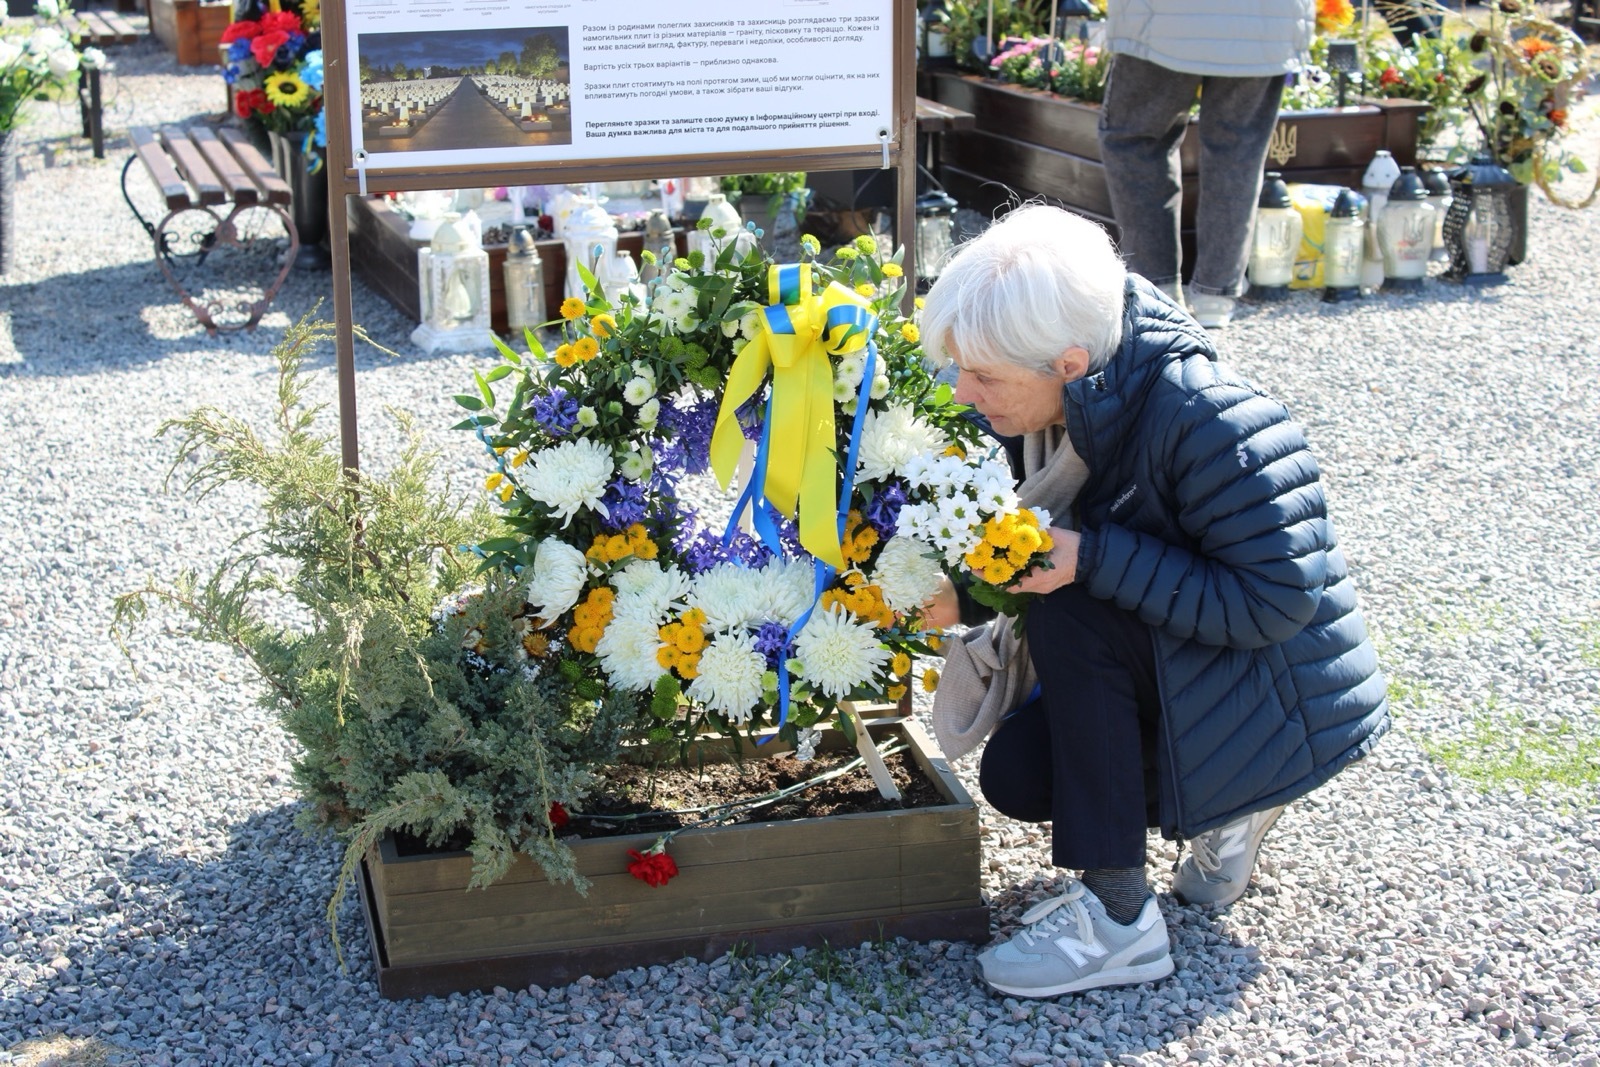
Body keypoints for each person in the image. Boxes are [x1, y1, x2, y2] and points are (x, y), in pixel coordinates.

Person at [918, 204, 1388, 1000]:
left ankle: (1119, 923)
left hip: (1277, 698)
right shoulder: (1070, 396)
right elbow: (1051, 539)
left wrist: (1092, 560)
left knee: (1073, 610)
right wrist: (961, 592)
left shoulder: (1206, 415)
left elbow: (1276, 602)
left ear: (1068, 362)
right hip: (1192, 661)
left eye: (985, 376)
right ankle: (1222, 807)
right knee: (1021, 775)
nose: (966, 392)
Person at [1096, 0, 1314, 328]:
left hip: (1163, 21)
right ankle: (1216, 295)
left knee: (1137, 140)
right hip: (1267, 23)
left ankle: (1157, 288)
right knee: (1238, 151)